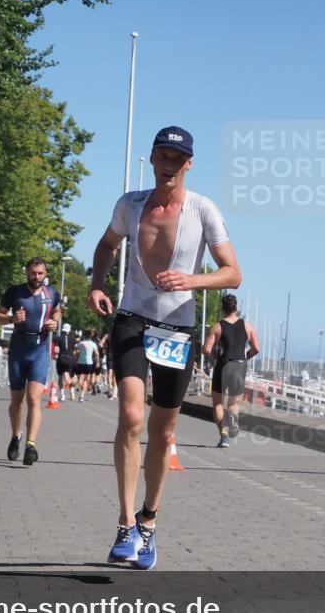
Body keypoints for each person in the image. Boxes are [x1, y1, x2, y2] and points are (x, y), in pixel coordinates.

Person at [88, 125, 241, 570]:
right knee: (132, 415)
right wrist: (97, 284)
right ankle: (124, 525)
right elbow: (106, 244)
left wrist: (192, 280)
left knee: (163, 432)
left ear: (188, 164)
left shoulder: (203, 209)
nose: (169, 164)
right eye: (163, 156)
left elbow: (233, 273)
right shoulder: (130, 204)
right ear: (153, 159)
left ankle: (148, 521)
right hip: (132, 317)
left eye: (177, 158)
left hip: (176, 329)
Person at [0, 257, 61, 465]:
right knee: (17, 402)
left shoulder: (52, 293)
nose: (36, 276)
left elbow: (57, 311)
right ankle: (16, 435)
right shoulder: (15, 292)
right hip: (18, 350)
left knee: (34, 398)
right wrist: (11, 319)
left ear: (45, 274)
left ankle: (30, 445)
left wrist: (55, 322)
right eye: (33, 273)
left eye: (40, 273)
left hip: (40, 350)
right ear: (27, 272)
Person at [203, 294, 259, 448]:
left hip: (223, 364)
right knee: (234, 403)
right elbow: (256, 348)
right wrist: (245, 357)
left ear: (223, 308)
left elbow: (206, 349)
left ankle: (224, 435)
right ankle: (233, 419)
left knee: (218, 403)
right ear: (236, 307)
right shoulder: (248, 326)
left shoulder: (217, 327)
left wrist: (215, 355)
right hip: (239, 365)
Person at [75, 328, 100, 401]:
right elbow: (97, 354)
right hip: (89, 363)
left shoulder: (81, 343)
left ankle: (82, 393)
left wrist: (76, 357)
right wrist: (97, 362)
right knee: (86, 379)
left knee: (80, 379)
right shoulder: (93, 344)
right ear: (91, 336)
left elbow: (76, 350)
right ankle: (82, 395)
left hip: (81, 362)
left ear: (85, 335)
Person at [54, 323, 76, 401]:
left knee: (60, 377)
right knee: (71, 376)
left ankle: (62, 395)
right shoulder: (73, 339)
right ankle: (72, 392)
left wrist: (55, 355)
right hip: (70, 359)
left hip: (61, 358)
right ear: (69, 331)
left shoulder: (57, 338)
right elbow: (74, 351)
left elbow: (56, 350)